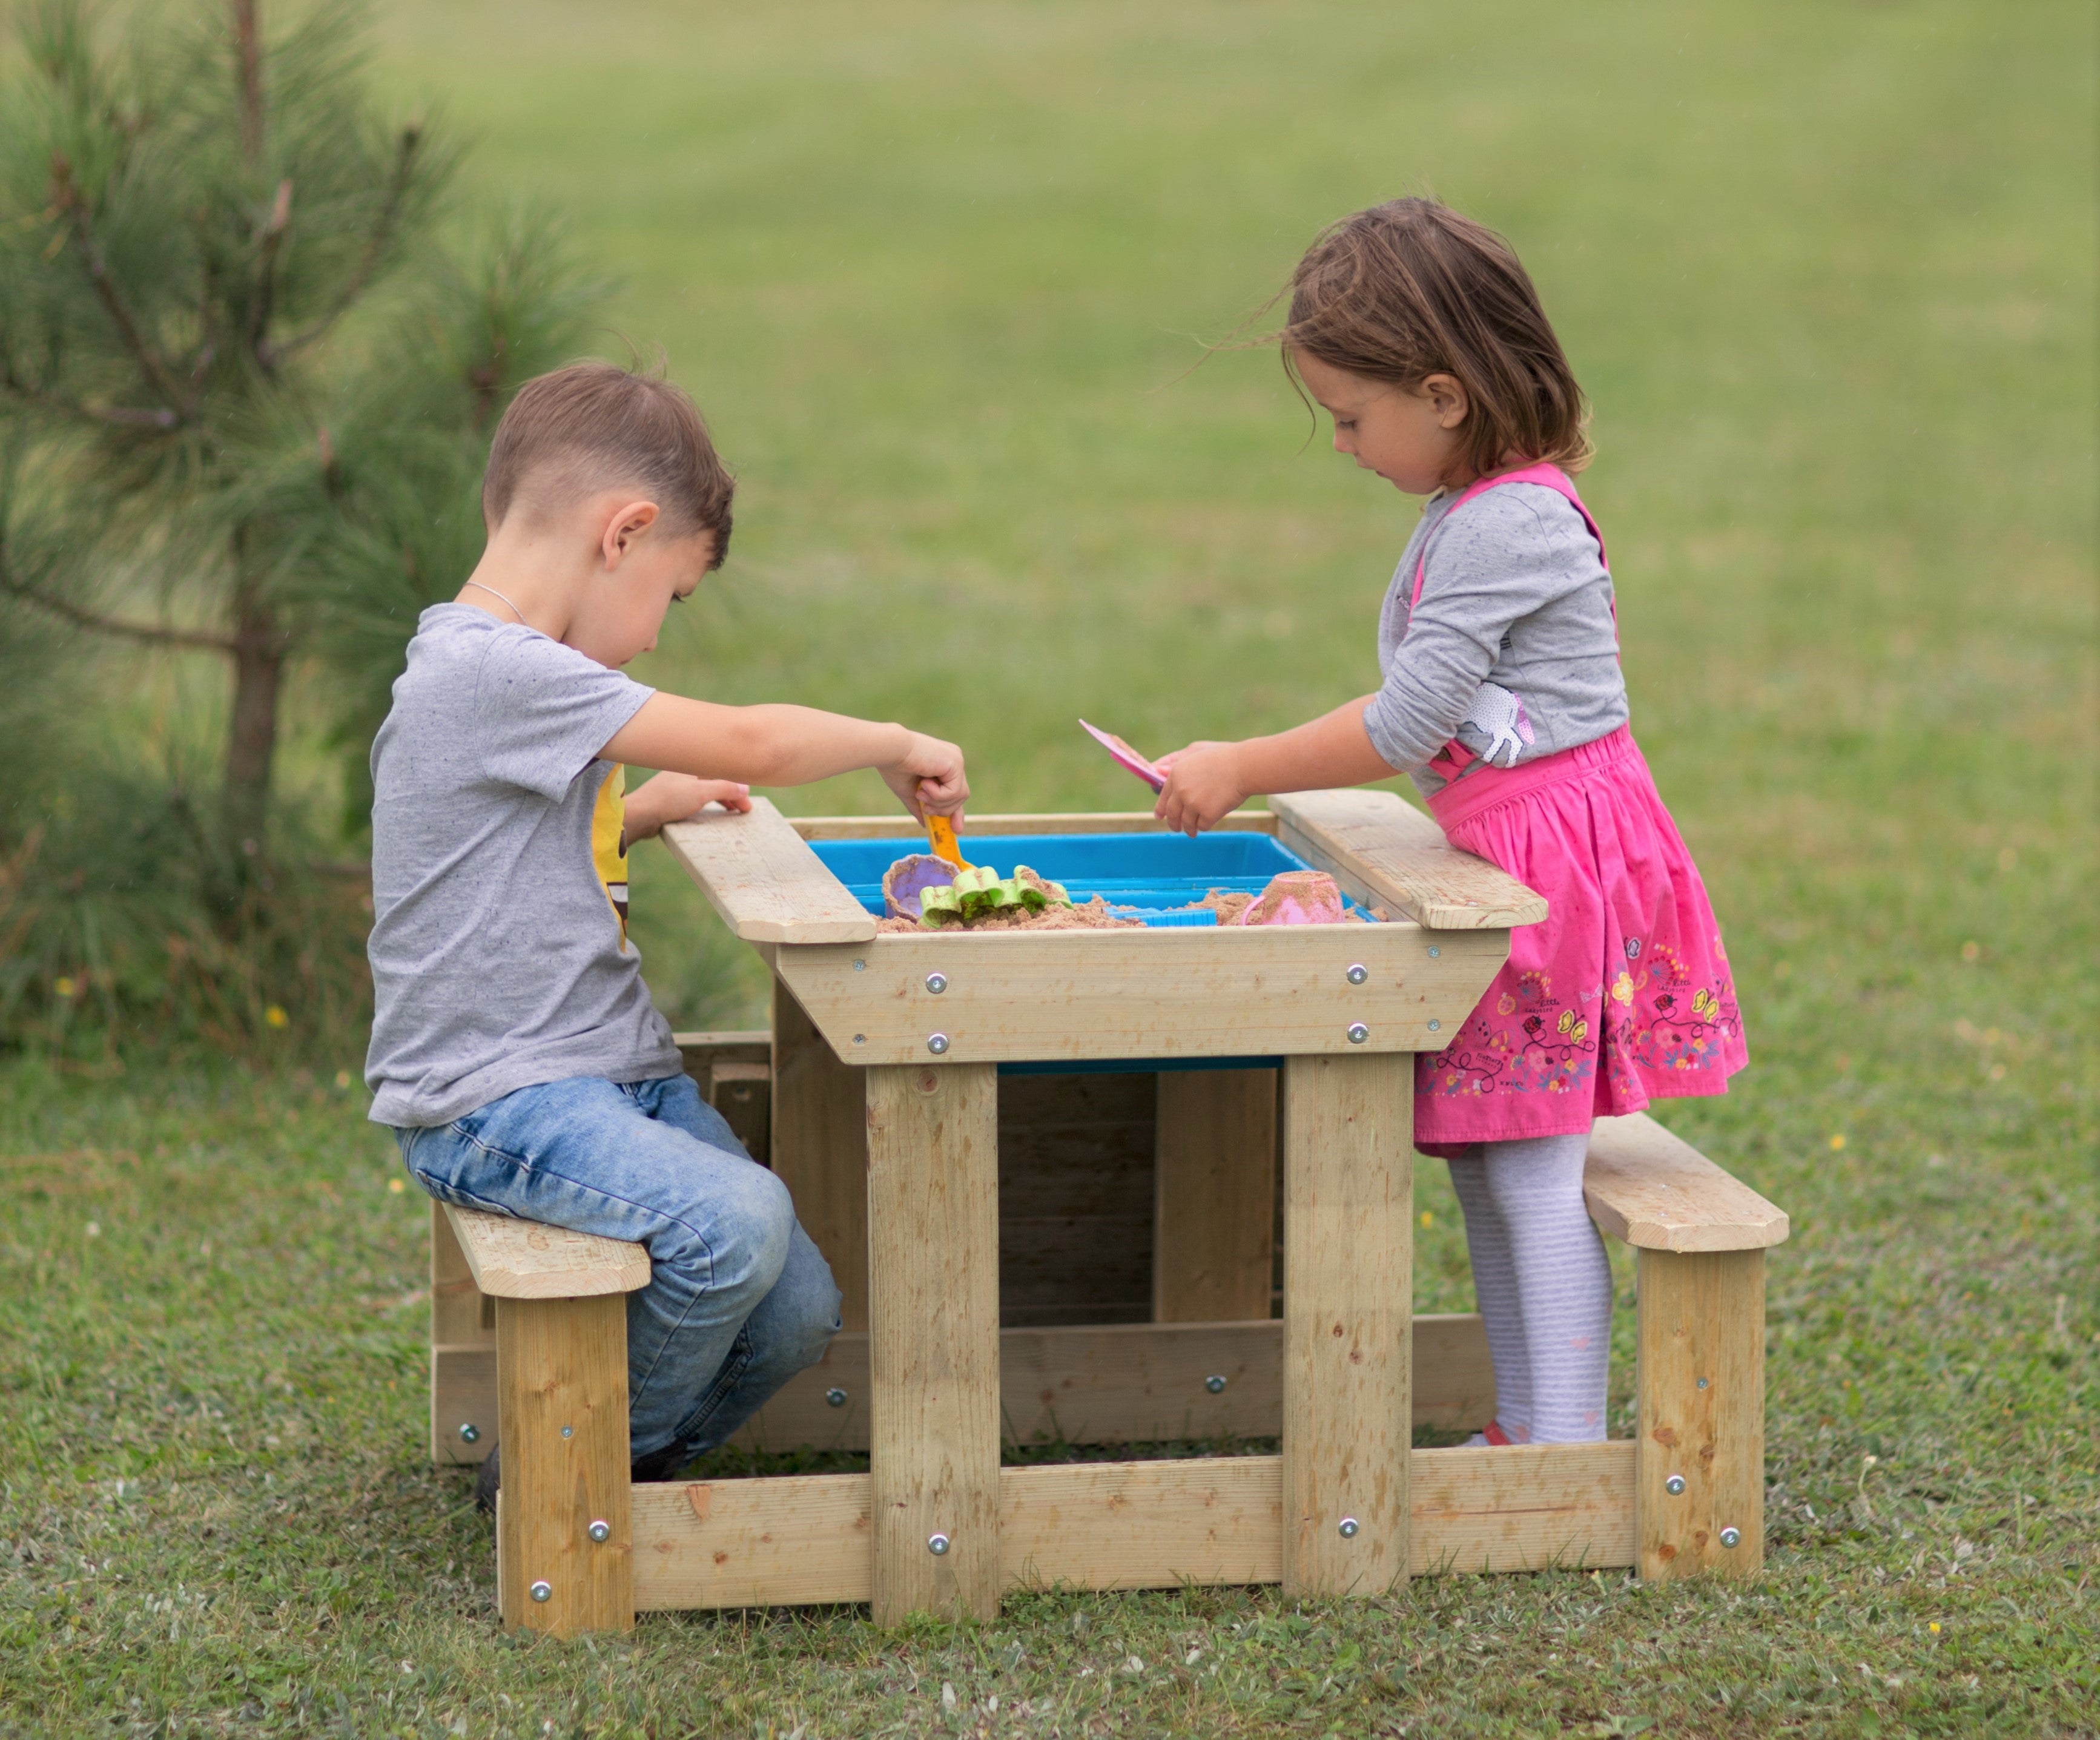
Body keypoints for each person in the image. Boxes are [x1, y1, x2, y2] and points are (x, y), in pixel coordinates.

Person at [1153, 199, 1747, 1445]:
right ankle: (1528, 1429)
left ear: (1444, 393)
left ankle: (1562, 1448)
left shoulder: (1512, 520)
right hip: (1521, 852)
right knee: (1490, 1153)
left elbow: (1413, 717)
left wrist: (1241, 765)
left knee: (1529, 1164)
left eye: (1352, 417)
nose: (1341, 444)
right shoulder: (1478, 510)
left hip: (1554, 872)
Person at [366, 362, 969, 1504]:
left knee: (798, 1309)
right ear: (624, 533)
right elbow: (754, 736)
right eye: (671, 596)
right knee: (736, 1223)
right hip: (497, 1096)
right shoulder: (496, 668)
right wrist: (891, 739)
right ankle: (555, 1493)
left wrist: (640, 811)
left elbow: (489, 848)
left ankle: (616, 1475)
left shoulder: (501, 675)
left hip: (608, 1072)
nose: (650, 640)